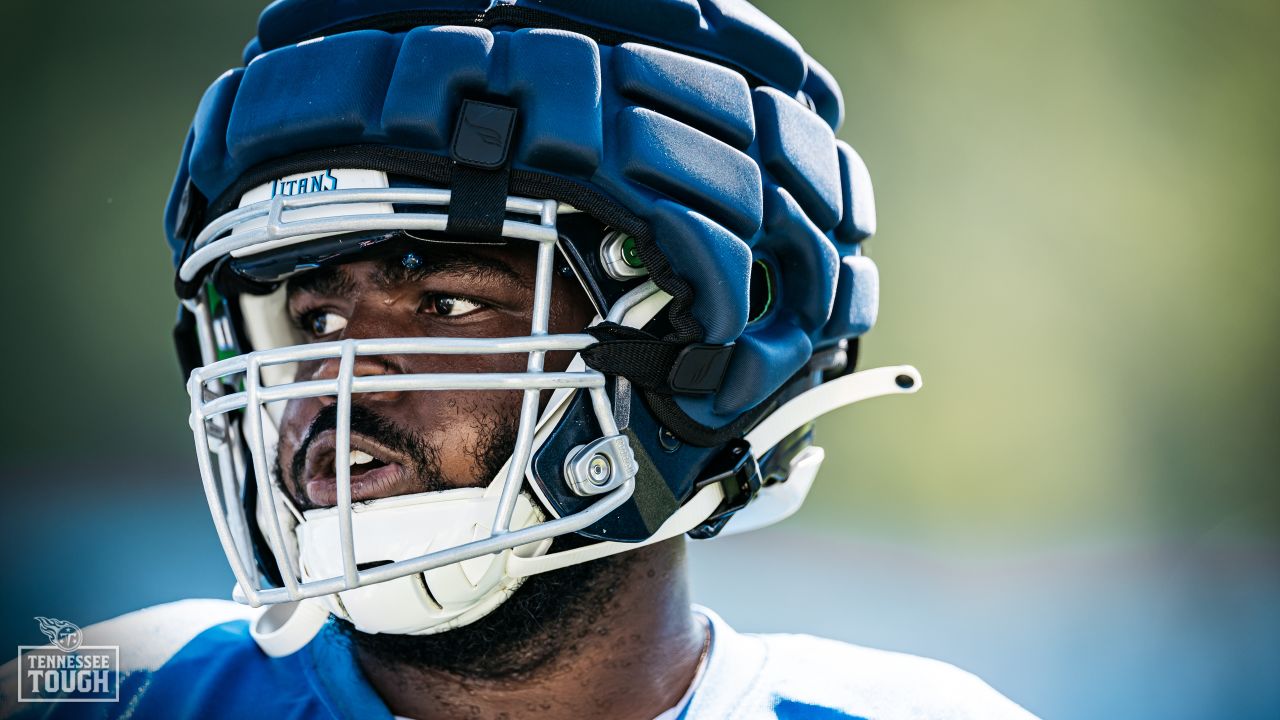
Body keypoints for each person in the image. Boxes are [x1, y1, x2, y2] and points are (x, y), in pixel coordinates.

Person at [3, 1, 1038, 718]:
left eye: (445, 304)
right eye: (314, 322)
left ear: (693, 348)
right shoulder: (101, 689)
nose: (336, 382)